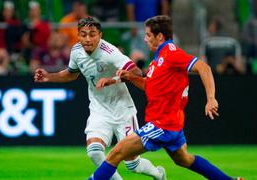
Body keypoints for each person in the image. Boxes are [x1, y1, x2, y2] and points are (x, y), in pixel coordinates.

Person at [89, 15, 243, 180]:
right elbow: (149, 86)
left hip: (162, 124)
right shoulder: (159, 59)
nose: (145, 39)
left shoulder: (171, 53)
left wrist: (211, 98)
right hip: (171, 124)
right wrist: (131, 77)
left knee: (116, 153)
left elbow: (204, 68)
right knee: (184, 159)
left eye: (148, 35)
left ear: (160, 36)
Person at [34, 16, 165, 180]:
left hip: (122, 109)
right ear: (78, 35)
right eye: (83, 34)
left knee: (132, 164)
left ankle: (158, 174)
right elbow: (71, 74)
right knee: (94, 151)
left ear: (100, 35)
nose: (87, 39)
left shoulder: (110, 53)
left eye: (92, 34)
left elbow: (136, 73)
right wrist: (49, 77)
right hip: (99, 109)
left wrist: (113, 80)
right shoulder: (76, 51)